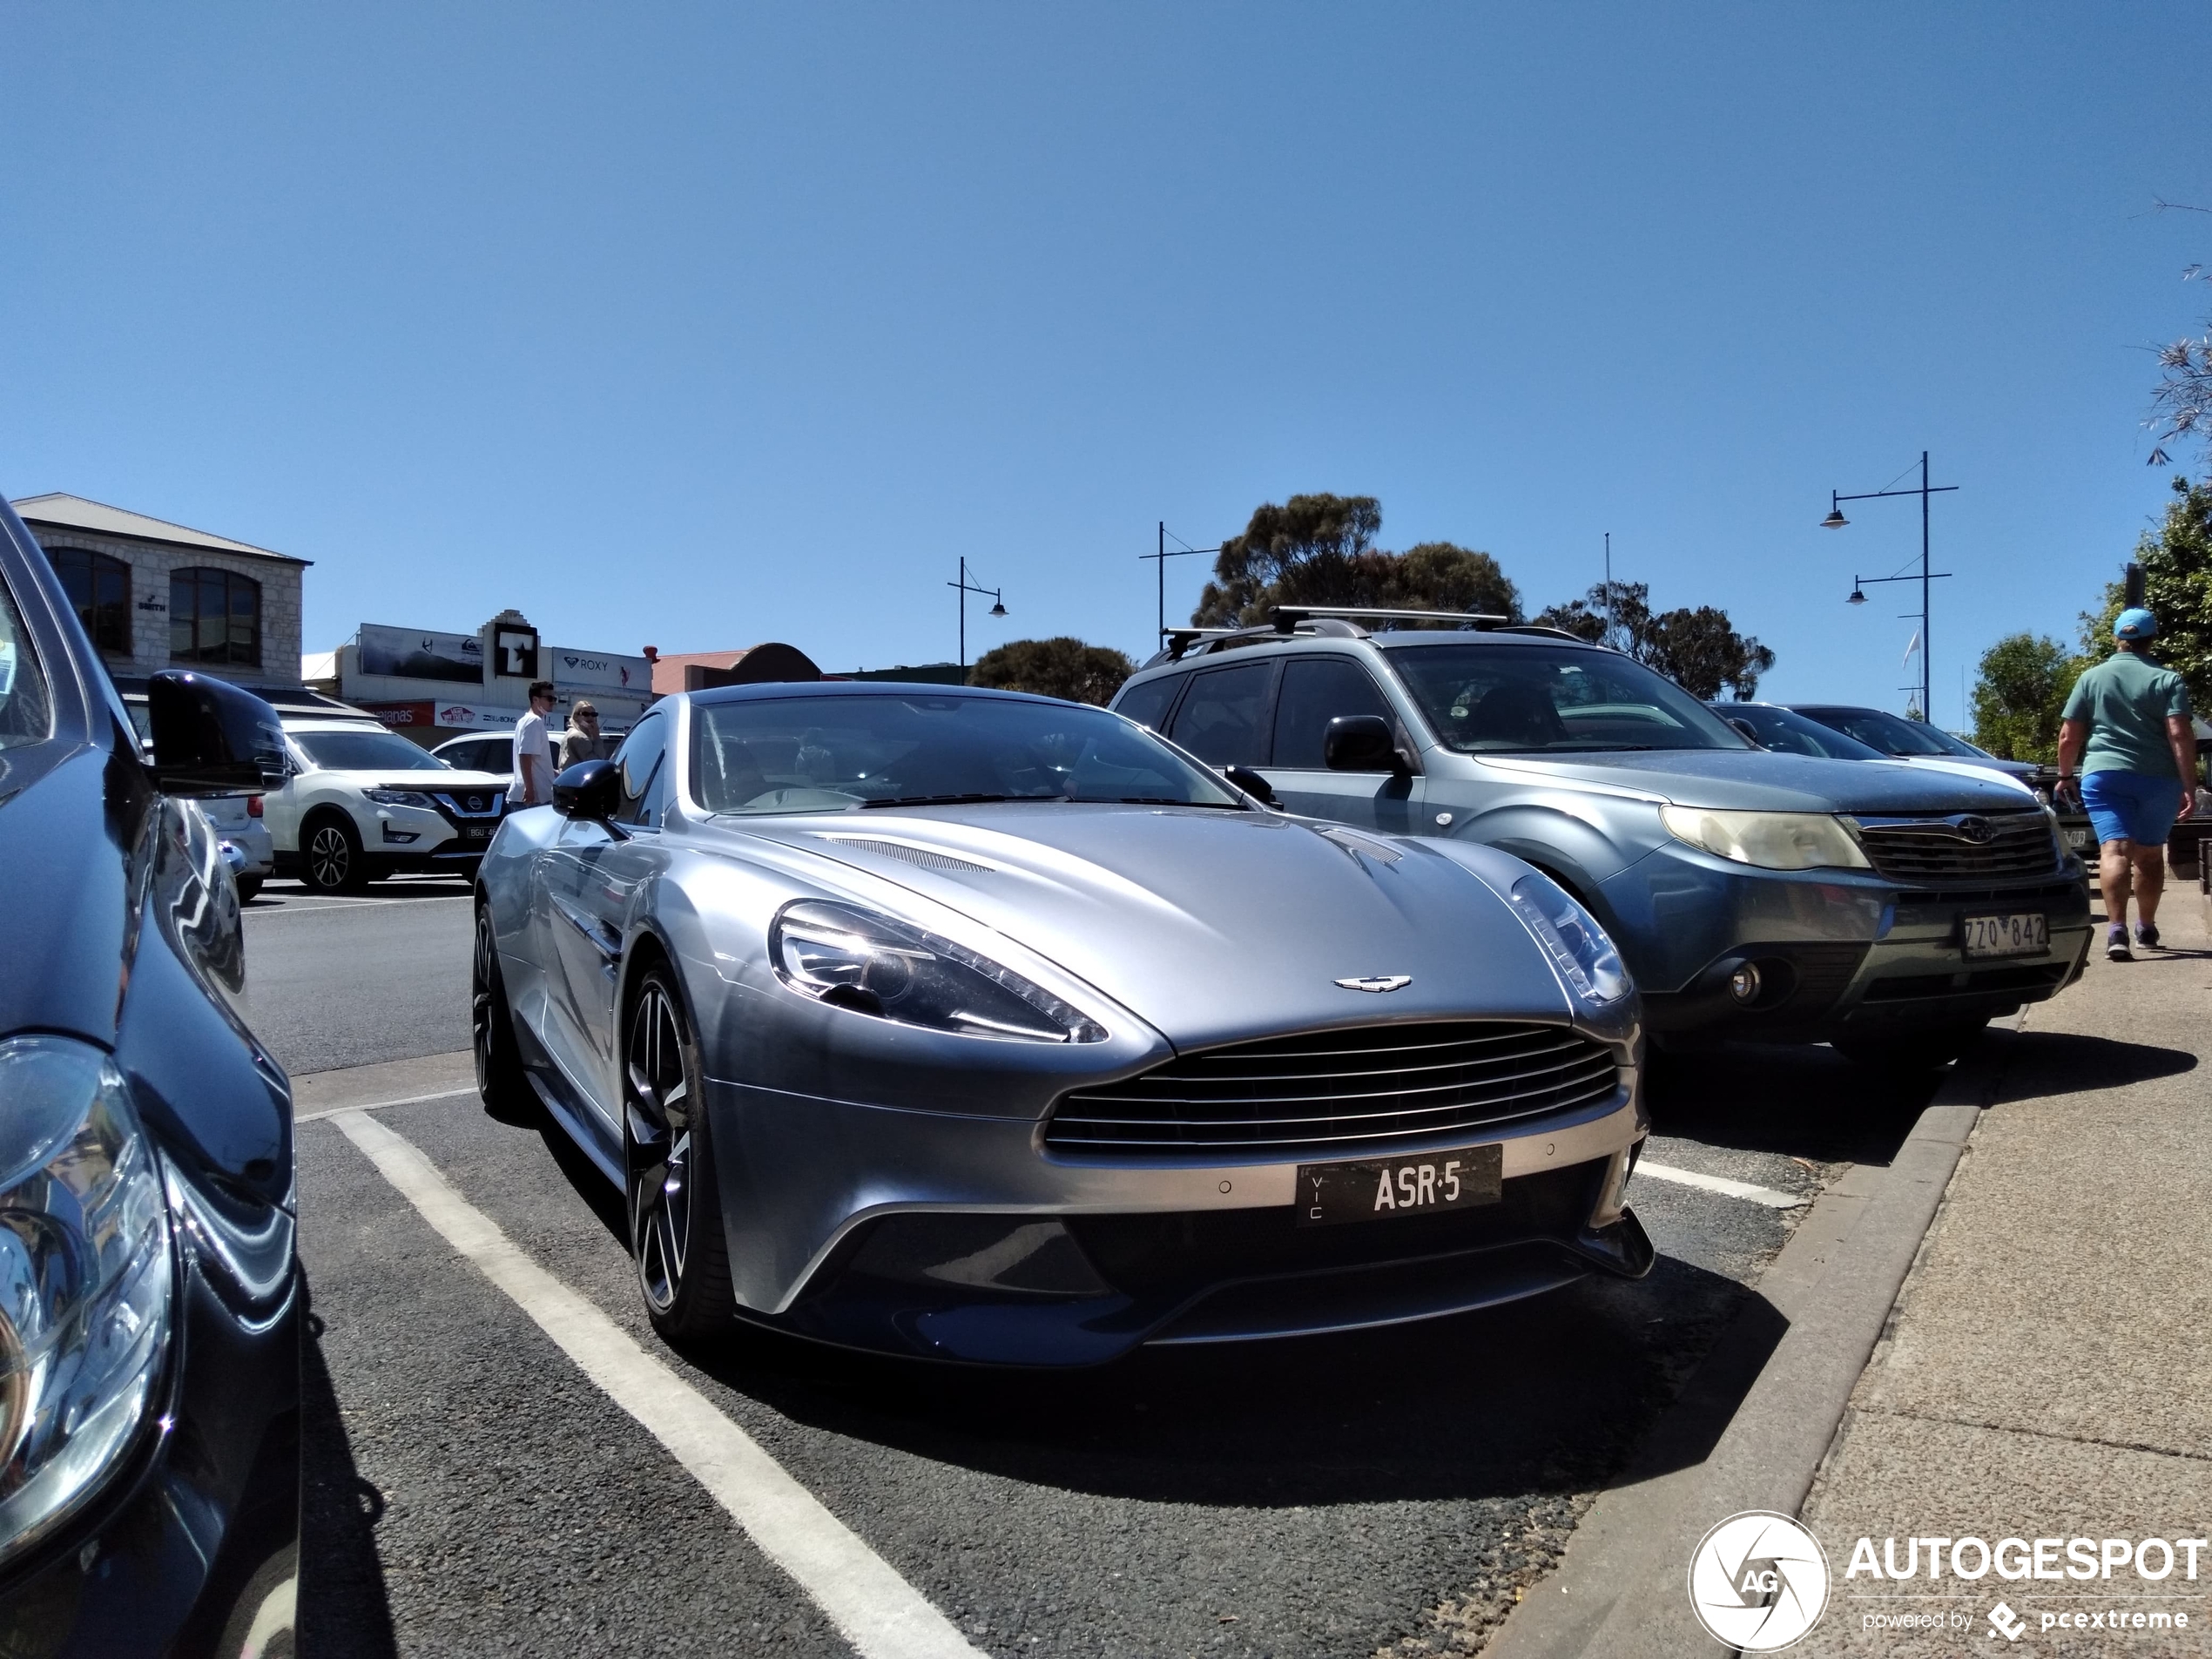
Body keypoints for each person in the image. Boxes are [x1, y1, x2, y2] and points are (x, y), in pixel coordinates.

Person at [2056, 608, 2196, 960]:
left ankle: (2116, 931)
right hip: (2158, 778)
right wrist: (2189, 785)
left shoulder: (2091, 677)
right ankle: (2145, 927)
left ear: (2117, 637)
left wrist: (2065, 775)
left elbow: (2069, 736)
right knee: (2149, 855)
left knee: (2113, 851)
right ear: (2152, 639)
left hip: (2104, 776)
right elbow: (2179, 732)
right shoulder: (2168, 679)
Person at [513, 680, 557, 807]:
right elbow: (525, 755)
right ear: (535, 700)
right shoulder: (534, 721)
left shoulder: (525, 720)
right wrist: (530, 789)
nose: (553, 702)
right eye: (549, 698)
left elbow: (535, 759)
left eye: (554, 698)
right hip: (535, 798)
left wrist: (553, 771)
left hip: (533, 796)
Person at [559, 700, 603, 769]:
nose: (590, 718)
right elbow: (595, 763)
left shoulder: (571, 732)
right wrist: (597, 737)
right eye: (585, 714)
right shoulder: (579, 737)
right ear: (576, 716)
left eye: (594, 714)